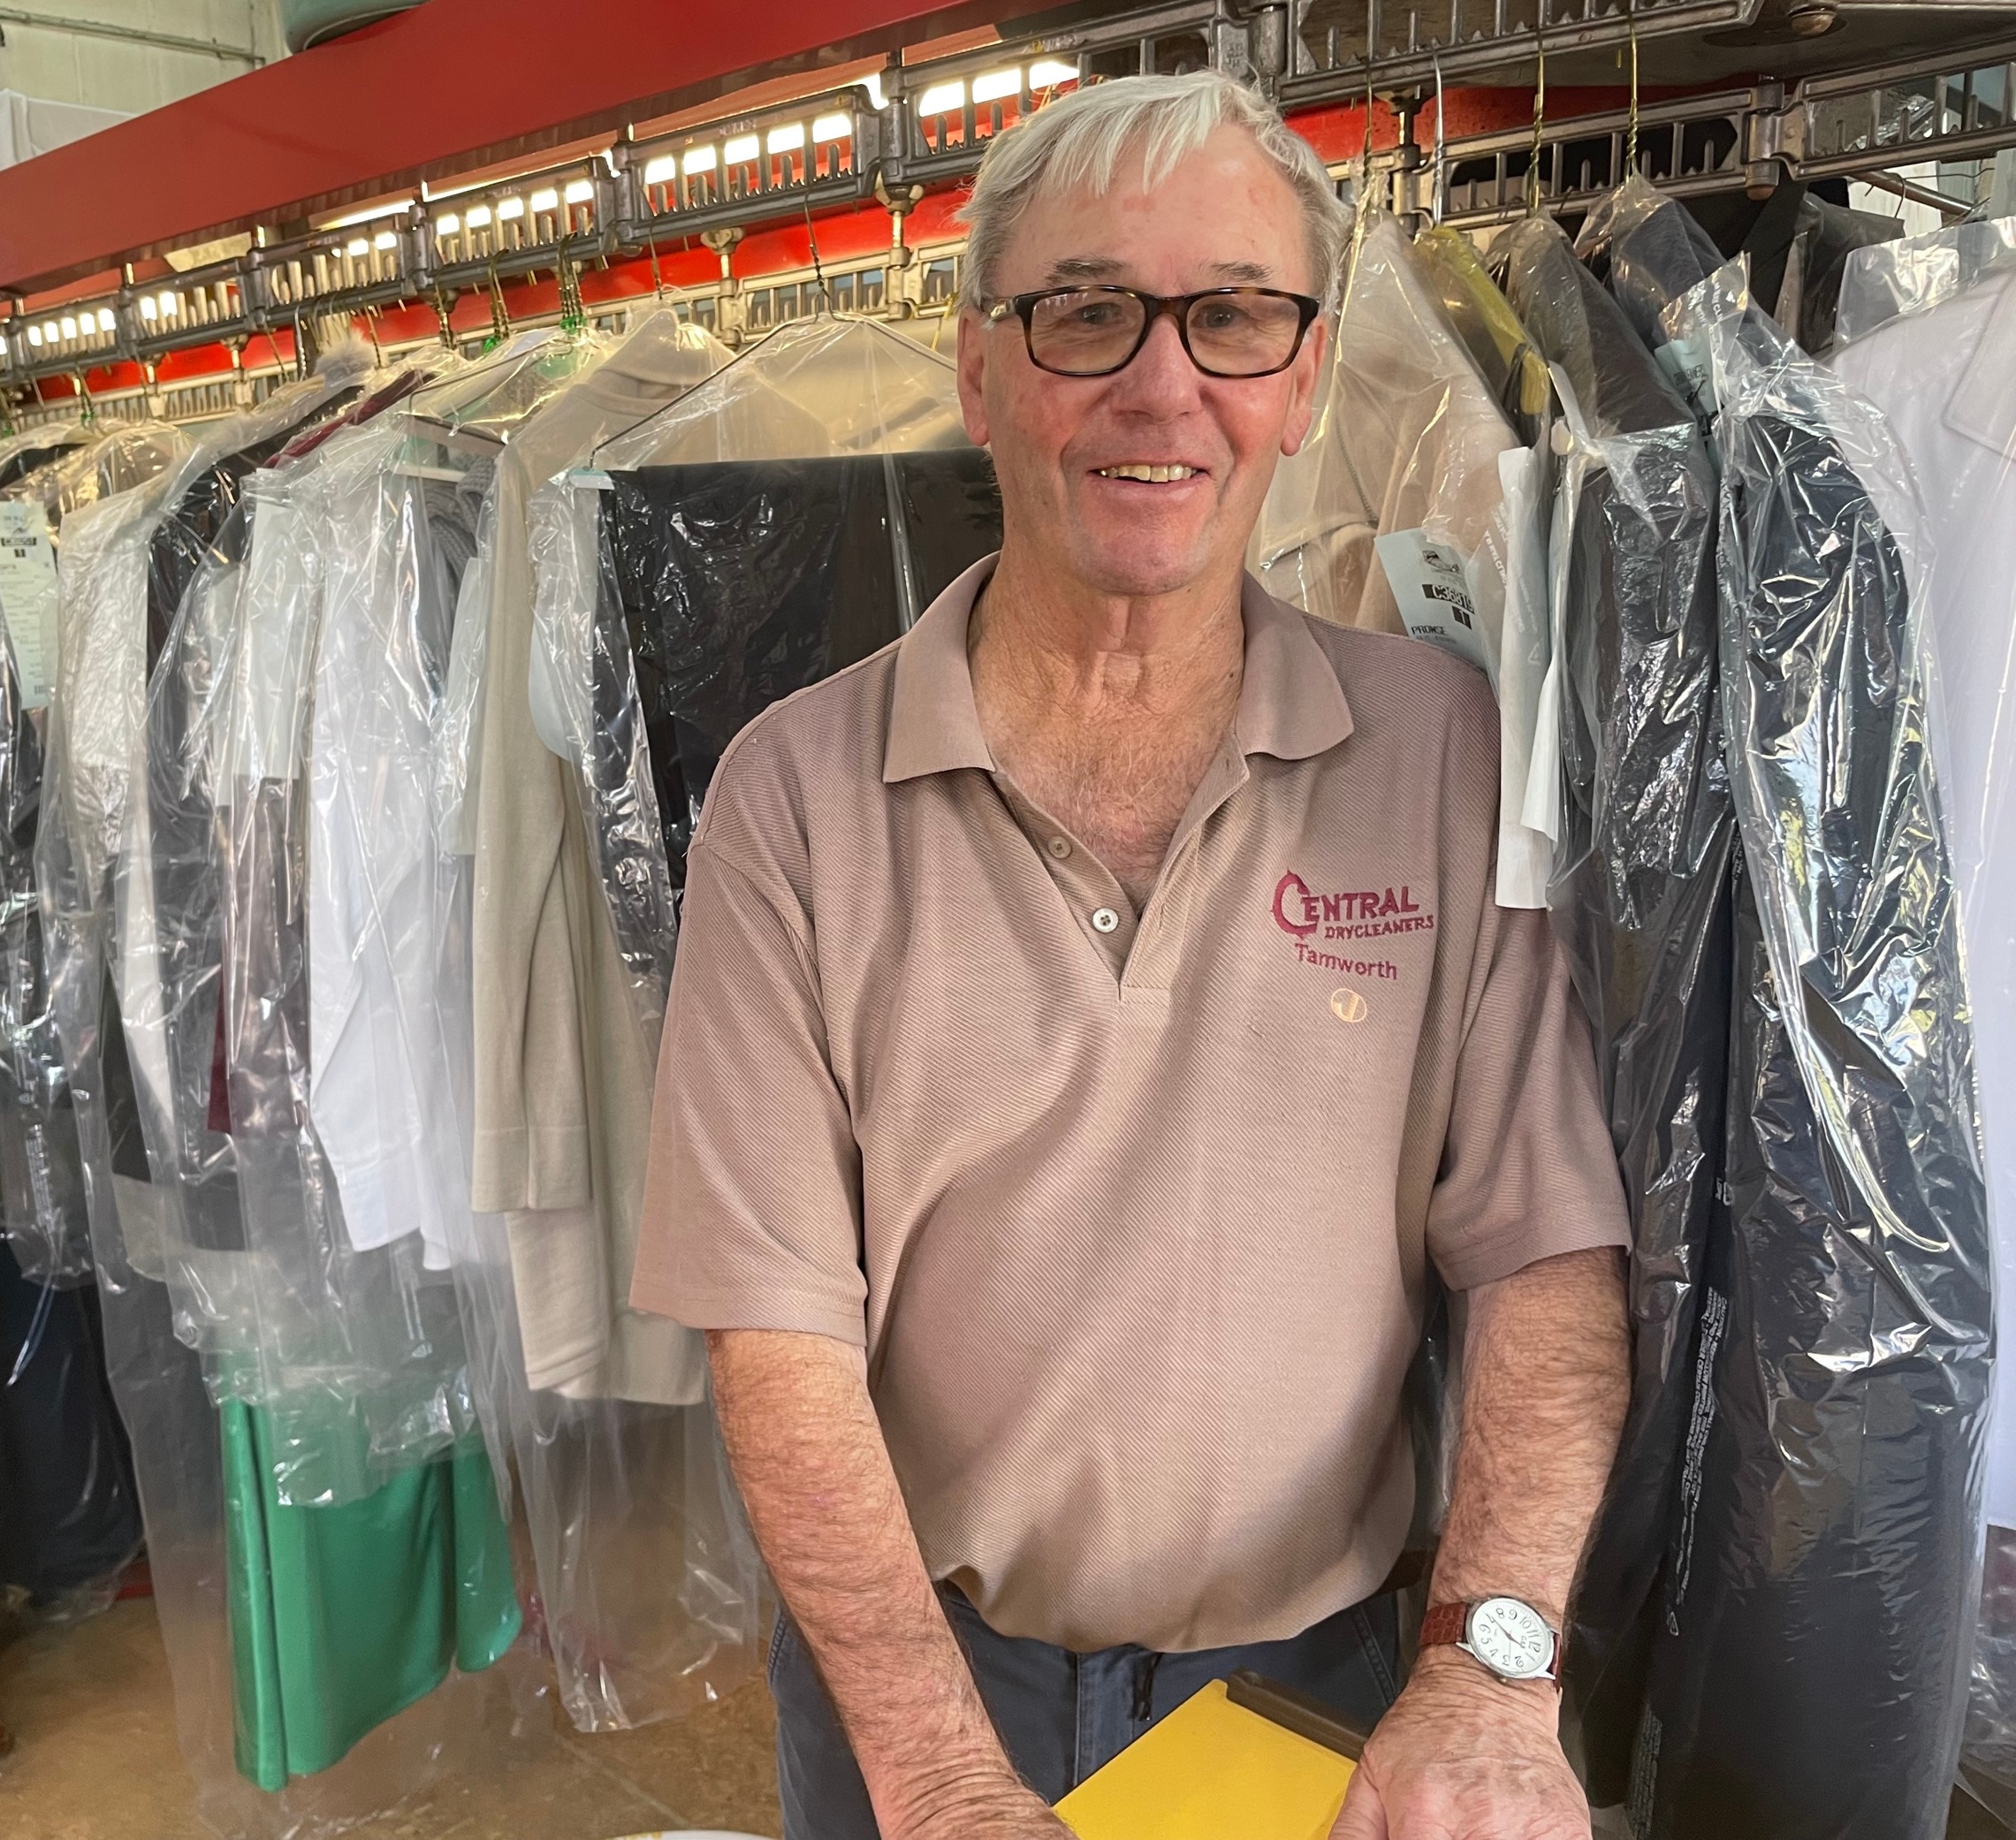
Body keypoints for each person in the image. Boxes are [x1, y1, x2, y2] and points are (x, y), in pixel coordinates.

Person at [629, 69, 1632, 1840]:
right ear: (979, 366)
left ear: (1306, 374)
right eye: (1084, 311)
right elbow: (772, 1335)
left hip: (1316, 1685)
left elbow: (1542, 1257)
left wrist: (1483, 1668)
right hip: (923, 1685)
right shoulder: (791, 797)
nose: (1161, 384)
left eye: (1232, 316)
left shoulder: (1450, 757)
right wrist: (935, 1770)